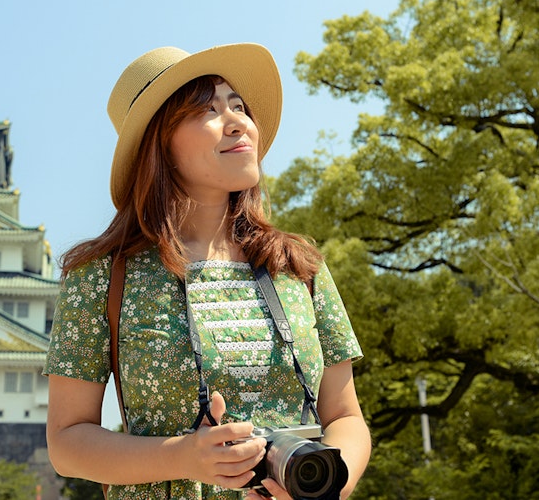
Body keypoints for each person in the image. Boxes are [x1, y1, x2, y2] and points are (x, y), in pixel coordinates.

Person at [44, 43, 370, 499]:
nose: (238, 121)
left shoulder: (298, 267)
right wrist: (182, 456)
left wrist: (329, 485)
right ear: (159, 144)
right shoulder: (100, 275)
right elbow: (67, 442)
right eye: (208, 110)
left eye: (239, 106)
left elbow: (345, 419)